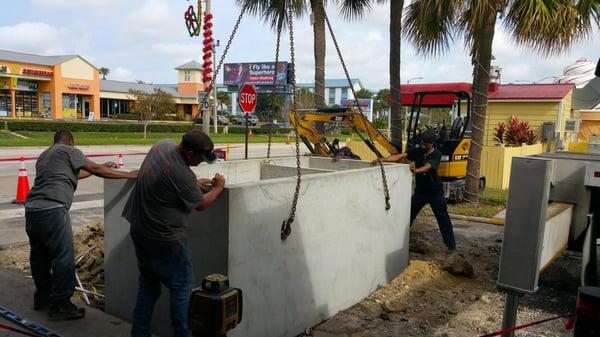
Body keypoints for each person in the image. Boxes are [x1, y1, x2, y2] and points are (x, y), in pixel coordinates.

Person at [25, 129, 138, 320]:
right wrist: (128, 175)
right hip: (53, 209)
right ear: (71, 141)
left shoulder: (45, 155)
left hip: (33, 209)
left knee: (40, 257)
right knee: (63, 258)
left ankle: (42, 297)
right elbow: (94, 169)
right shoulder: (69, 150)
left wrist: (100, 166)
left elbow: (73, 175)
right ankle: (60, 304)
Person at [123, 130, 226, 337]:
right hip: (166, 241)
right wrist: (218, 188)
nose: (201, 163)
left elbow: (165, 179)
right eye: (200, 159)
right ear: (189, 154)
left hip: (140, 231)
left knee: (148, 287)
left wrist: (191, 186)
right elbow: (201, 204)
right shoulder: (182, 174)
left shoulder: (162, 146)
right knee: (182, 290)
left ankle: (139, 333)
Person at [377, 130, 456, 251]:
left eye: (426, 144)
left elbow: (428, 167)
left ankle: (451, 247)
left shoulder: (437, 154)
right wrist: (382, 160)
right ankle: (397, 242)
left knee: (443, 219)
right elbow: (400, 156)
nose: (423, 146)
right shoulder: (418, 151)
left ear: (432, 144)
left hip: (435, 192)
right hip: (421, 192)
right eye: (422, 143)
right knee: (408, 216)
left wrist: (416, 170)